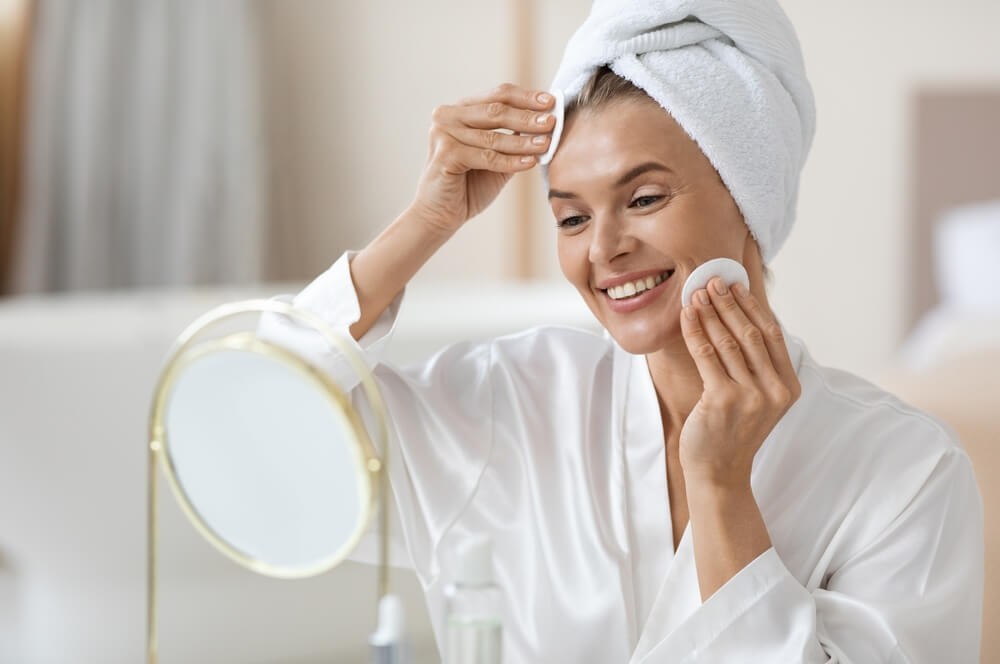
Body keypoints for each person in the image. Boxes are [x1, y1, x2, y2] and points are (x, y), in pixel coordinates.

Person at [278, 1, 984, 661]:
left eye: (643, 198)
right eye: (572, 218)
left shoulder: (904, 471)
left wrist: (720, 489)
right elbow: (252, 439)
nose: (602, 250)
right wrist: (423, 225)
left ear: (749, 198)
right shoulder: (512, 402)